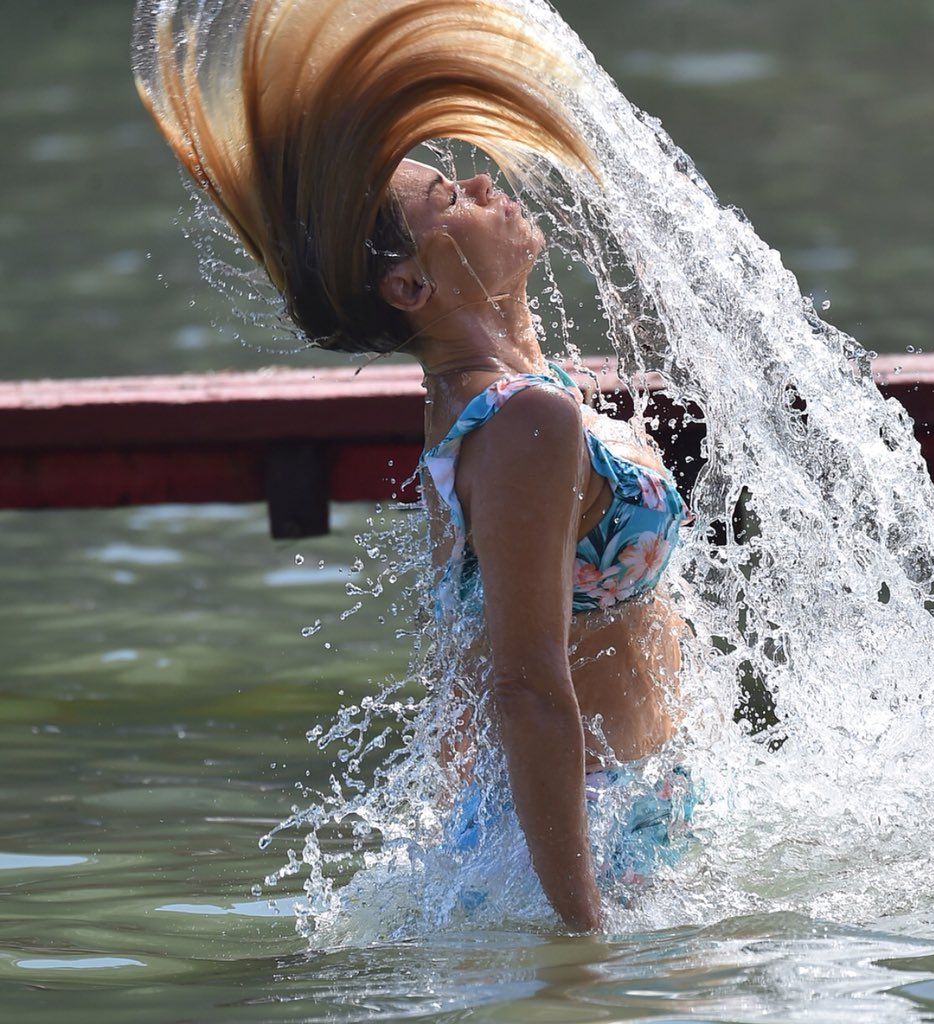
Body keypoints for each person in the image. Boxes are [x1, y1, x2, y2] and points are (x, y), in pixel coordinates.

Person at [133, 0, 696, 932]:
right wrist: (583, 940)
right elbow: (523, 686)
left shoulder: (500, 396)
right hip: (586, 842)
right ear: (411, 285)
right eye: (450, 199)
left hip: (609, 813)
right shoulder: (522, 420)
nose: (481, 182)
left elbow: (463, 650)